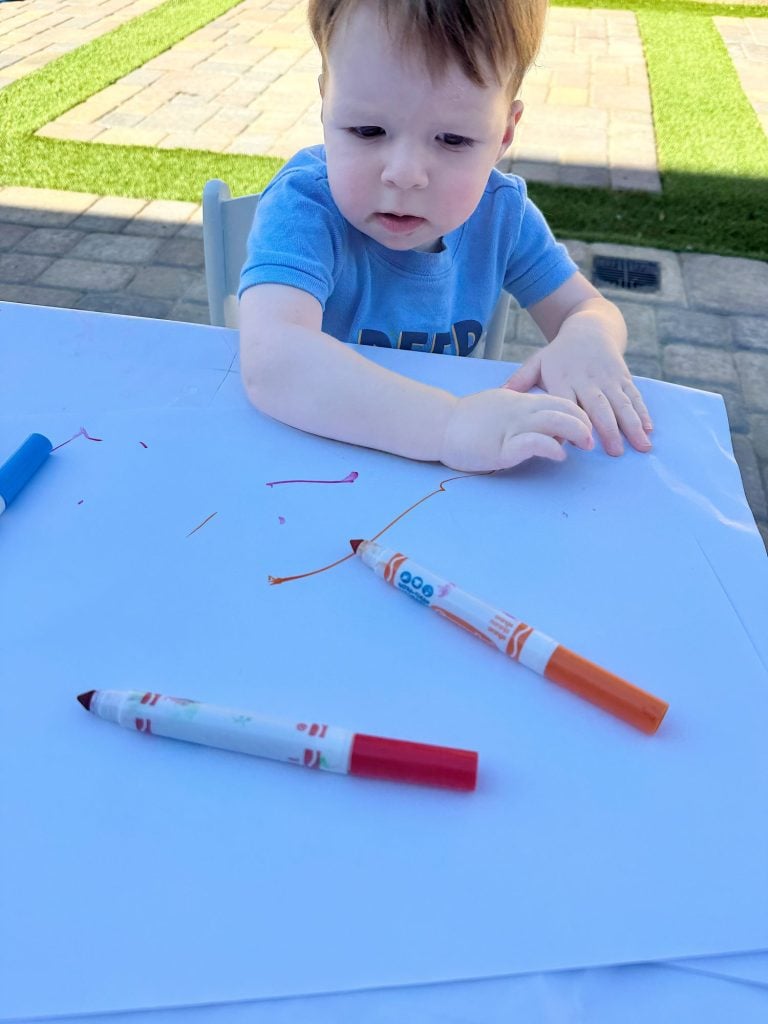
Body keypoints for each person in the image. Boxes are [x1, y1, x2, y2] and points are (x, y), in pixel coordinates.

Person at [238, 0, 653, 472]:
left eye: (453, 140)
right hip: (310, 464)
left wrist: (587, 337)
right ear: (325, 102)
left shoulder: (501, 214)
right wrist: (448, 425)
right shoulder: (305, 208)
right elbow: (273, 360)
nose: (404, 174)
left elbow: (589, 307)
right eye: (368, 130)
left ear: (504, 134)